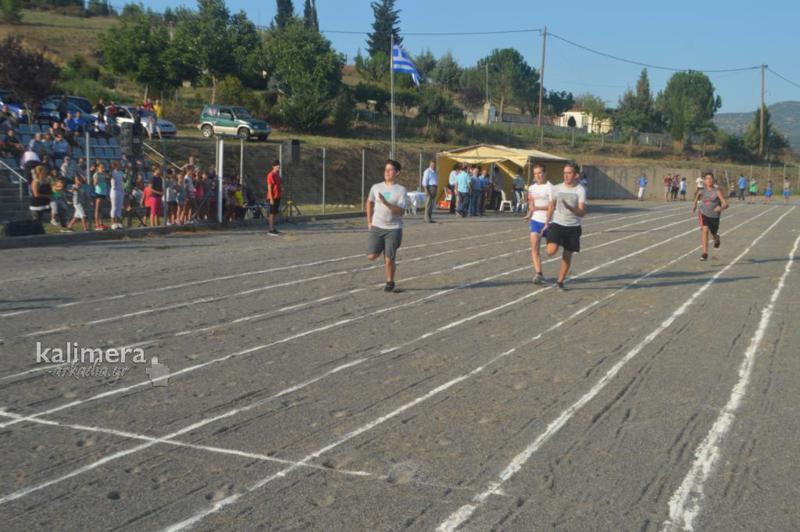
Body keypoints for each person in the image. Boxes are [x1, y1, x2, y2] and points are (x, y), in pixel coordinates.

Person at [366, 159, 407, 293]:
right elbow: (369, 202)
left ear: (397, 172)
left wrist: (386, 203)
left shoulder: (401, 190)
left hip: (393, 229)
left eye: (390, 170)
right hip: (377, 226)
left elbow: (401, 212)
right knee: (371, 256)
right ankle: (384, 246)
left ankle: (390, 282)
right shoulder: (376, 187)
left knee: (389, 259)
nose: (387, 172)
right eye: (385, 169)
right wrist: (369, 221)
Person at [546, 162, 587, 291]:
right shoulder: (556, 188)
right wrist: (547, 222)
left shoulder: (580, 190)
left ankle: (560, 281)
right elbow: (551, 206)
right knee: (550, 251)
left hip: (573, 227)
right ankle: (557, 241)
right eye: (564, 173)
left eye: (569, 173)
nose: (566, 175)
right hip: (557, 224)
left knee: (567, 255)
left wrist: (571, 208)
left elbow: (582, 212)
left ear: (576, 175)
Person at [523, 163, 555, 285]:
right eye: (535, 173)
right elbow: (532, 204)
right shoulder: (532, 188)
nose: (537, 176)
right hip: (536, 221)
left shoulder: (551, 188)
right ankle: (539, 274)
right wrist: (529, 214)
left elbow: (552, 207)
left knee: (551, 251)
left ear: (545, 173)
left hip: (550, 222)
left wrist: (547, 222)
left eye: (540, 173)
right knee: (534, 247)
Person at [692, 171, 728, 261]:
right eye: (707, 179)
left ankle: (717, 238)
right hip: (703, 213)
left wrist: (721, 208)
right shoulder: (701, 191)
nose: (709, 180)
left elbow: (726, 204)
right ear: (704, 181)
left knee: (714, 234)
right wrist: (694, 205)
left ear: (713, 180)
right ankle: (705, 253)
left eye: (710, 178)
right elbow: (697, 196)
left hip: (714, 216)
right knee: (705, 230)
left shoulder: (717, 191)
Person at [266, 159, 282, 234]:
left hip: (278, 196)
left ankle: (274, 228)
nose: (278, 166)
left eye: (279, 165)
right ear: (273, 166)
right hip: (272, 197)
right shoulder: (270, 175)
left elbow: (278, 185)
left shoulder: (278, 175)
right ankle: (270, 229)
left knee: (275, 213)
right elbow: (269, 187)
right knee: (272, 213)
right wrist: (271, 198)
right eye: (276, 165)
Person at [93, 162, 109, 230]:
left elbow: (107, 178)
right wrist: (96, 180)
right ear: (98, 168)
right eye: (101, 167)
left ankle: (101, 223)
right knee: (97, 208)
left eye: (103, 167)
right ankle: (96, 224)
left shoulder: (103, 174)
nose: (103, 169)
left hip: (103, 192)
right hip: (98, 192)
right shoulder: (96, 174)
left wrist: (105, 175)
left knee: (101, 209)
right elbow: (94, 183)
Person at [109, 160, 125, 229]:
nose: (120, 166)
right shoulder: (112, 173)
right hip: (114, 191)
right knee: (114, 207)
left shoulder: (121, 172)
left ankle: (118, 222)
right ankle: (113, 223)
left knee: (119, 207)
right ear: (115, 166)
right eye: (119, 165)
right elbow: (110, 178)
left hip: (120, 191)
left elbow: (123, 181)